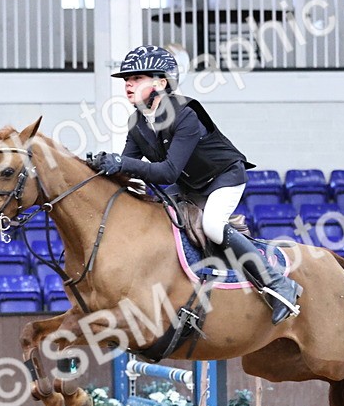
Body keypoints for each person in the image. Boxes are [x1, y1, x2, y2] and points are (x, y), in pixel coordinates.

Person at [87, 45, 302, 325]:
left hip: (223, 178)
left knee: (212, 225)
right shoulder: (137, 121)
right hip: (187, 185)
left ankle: (277, 283)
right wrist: (97, 167)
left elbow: (167, 171)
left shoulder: (184, 113)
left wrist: (122, 164)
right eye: (127, 79)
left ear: (161, 83)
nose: (128, 83)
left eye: (137, 78)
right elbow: (127, 167)